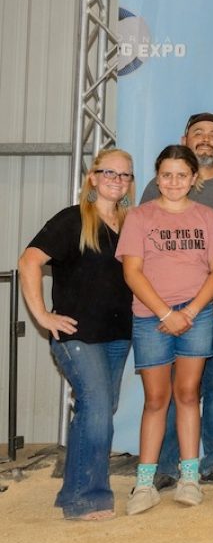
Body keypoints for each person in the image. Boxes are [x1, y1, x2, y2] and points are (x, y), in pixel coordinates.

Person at [18, 149, 135, 520]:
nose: (117, 180)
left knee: (95, 410)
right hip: (77, 335)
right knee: (97, 409)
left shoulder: (132, 223)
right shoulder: (72, 220)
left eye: (125, 175)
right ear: (92, 177)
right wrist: (41, 316)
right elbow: (29, 261)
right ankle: (88, 497)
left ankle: (73, 489)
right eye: (109, 173)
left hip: (119, 334)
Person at [139, 112, 213, 489]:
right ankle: (165, 466)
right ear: (185, 138)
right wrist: (166, 309)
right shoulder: (156, 191)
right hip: (168, 312)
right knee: (169, 393)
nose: (206, 139)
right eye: (198, 133)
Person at [117, 145, 213, 514]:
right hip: (151, 316)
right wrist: (164, 312)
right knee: (156, 399)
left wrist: (190, 311)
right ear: (156, 177)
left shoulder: (208, 217)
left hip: (196, 315)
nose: (173, 182)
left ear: (194, 179)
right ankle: (144, 484)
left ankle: (189, 478)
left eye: (182, 175)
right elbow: (132, 271)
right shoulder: (139, 217)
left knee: (189, 394)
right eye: (166, 175)